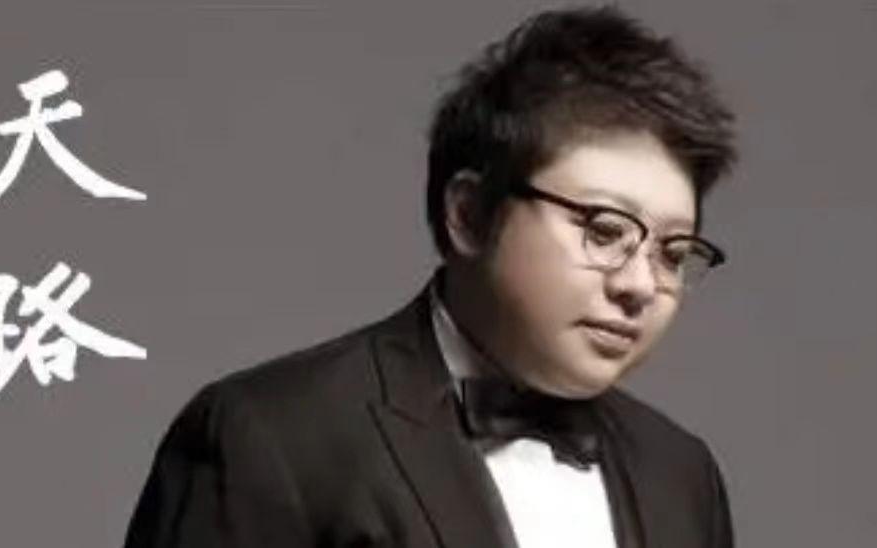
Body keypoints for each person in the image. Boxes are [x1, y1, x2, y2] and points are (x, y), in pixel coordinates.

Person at [124, 5, 737, 547]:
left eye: (672, 253)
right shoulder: (270, 438)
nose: (640, 285)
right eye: (603, 231)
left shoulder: (681, 475)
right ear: (469, 214)